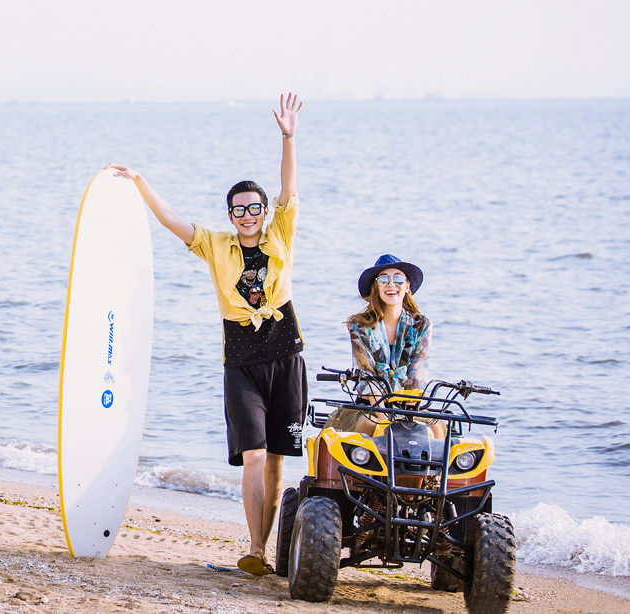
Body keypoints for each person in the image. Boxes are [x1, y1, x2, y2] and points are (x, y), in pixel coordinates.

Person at [108, 93, 306, 577]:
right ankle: (255, 550)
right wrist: (139, 181)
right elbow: (171, 220)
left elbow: (288, 186)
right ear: (230, 215)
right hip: (240, 360)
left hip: (286, 354)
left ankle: (268, 551)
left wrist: (287, 136)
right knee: (254, 454)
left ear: (264, 210)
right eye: (238, 210)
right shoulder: (215, 245)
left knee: (277, 462)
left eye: (254, 207)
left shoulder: (281, 231)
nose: (247, 215)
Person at [326, 253, 436, 436]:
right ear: (376, 287)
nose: (391, 285)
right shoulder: (359, 325)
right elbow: (366, 373)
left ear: (407, 286)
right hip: (371, 406)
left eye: (398, 279)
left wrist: (407, 417)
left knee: (435, 428)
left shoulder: (422, 324)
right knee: (371, 425)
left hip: (409, 406)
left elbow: (417, 373)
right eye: (383, 280)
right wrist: (385, 419)